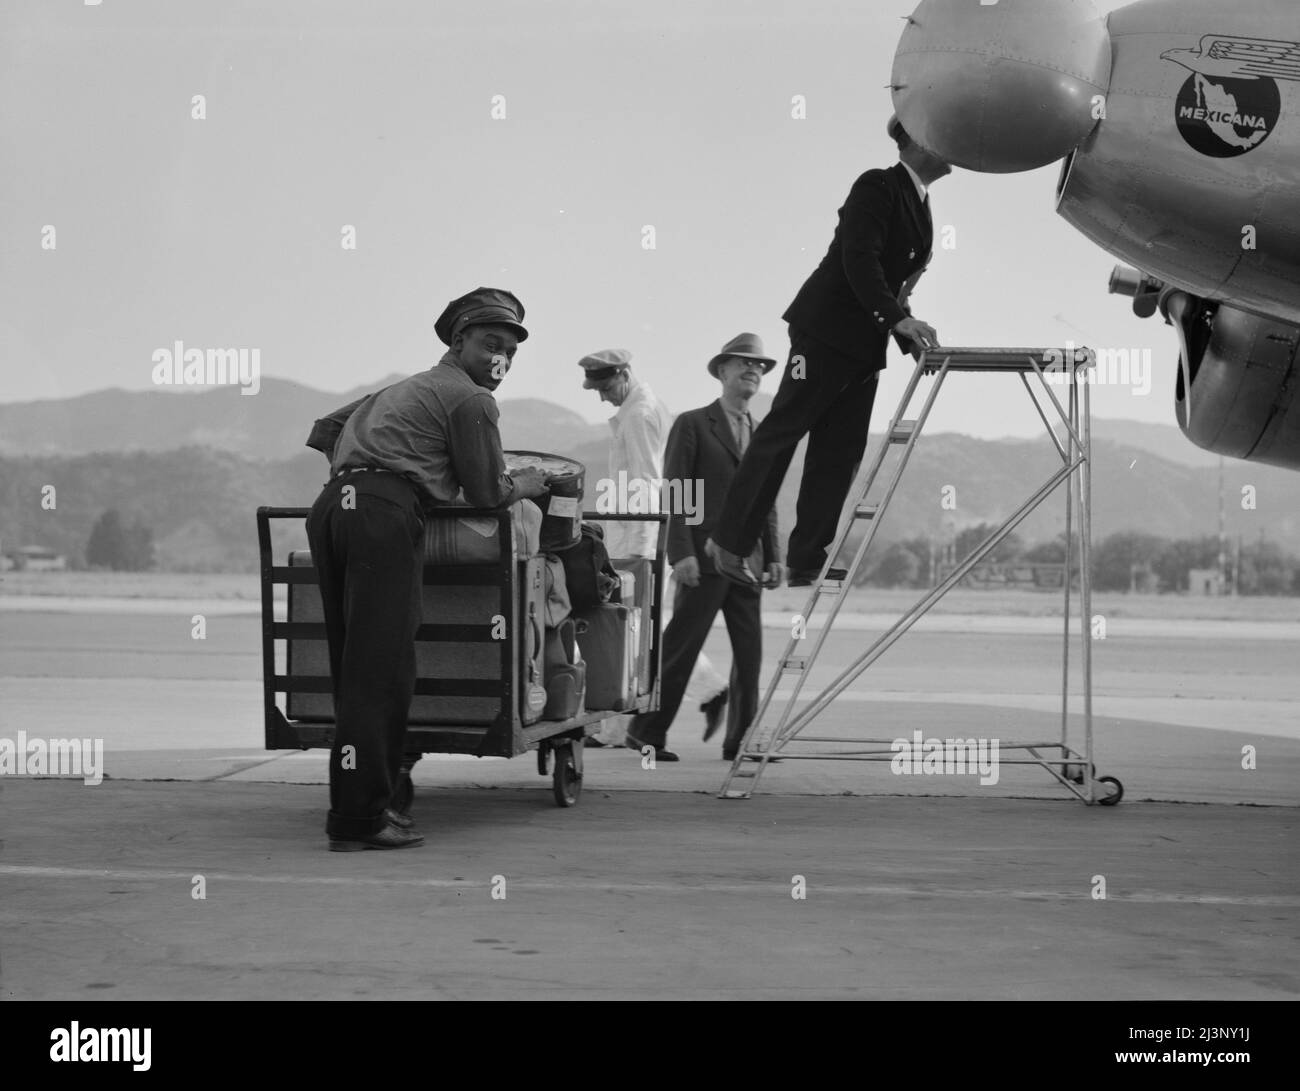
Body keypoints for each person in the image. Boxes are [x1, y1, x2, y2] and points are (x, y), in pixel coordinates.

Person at [305, 287, 548, 851]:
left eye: (510, 351)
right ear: (458, 341)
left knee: (355, 667)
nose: (500, 360)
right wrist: (527, 485)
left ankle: (361, 807)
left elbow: (323, 431)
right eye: (491, 344)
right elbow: (488, 491)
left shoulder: (402, 388)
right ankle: (361, 820)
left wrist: (370, 468)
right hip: (382, 516)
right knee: (384, 670)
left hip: (335, 508)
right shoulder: (472, 400)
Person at [707, 116, 950, 589]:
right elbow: (858, 258)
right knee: (782, 433)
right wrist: (895, 320)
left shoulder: (922, 206)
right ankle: (730, 542)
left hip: (863, 346)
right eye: (941, 136)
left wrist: (906, 335)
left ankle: (806, 558)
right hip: (825, 332)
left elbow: (894, 284)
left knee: (840, 453)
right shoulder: (878, 185)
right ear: (918, 139)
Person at [625, 333, 782, 762]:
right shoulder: (693, 423)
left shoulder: (763, 431)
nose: (753, 371)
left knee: (750, 656)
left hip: (747, 561)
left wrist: (776, 555)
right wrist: (682, 552)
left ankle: (740, 742)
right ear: (722, 371)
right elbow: (677, 492)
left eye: (760, 366)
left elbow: (765, 497)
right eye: (743, 364)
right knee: (681, 649)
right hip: (703, 558)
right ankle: (646, 734)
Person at [579, 350, 731, 744]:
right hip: (634, 533)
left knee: (631, 625)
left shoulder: (639, 414)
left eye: (606, 386)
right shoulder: (640, 407)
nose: (602, 396)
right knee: (641, 625)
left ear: (625, 374)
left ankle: (705, 692)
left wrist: (644, 546)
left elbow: (648, 482)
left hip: (639, 536)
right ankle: (707, 692)